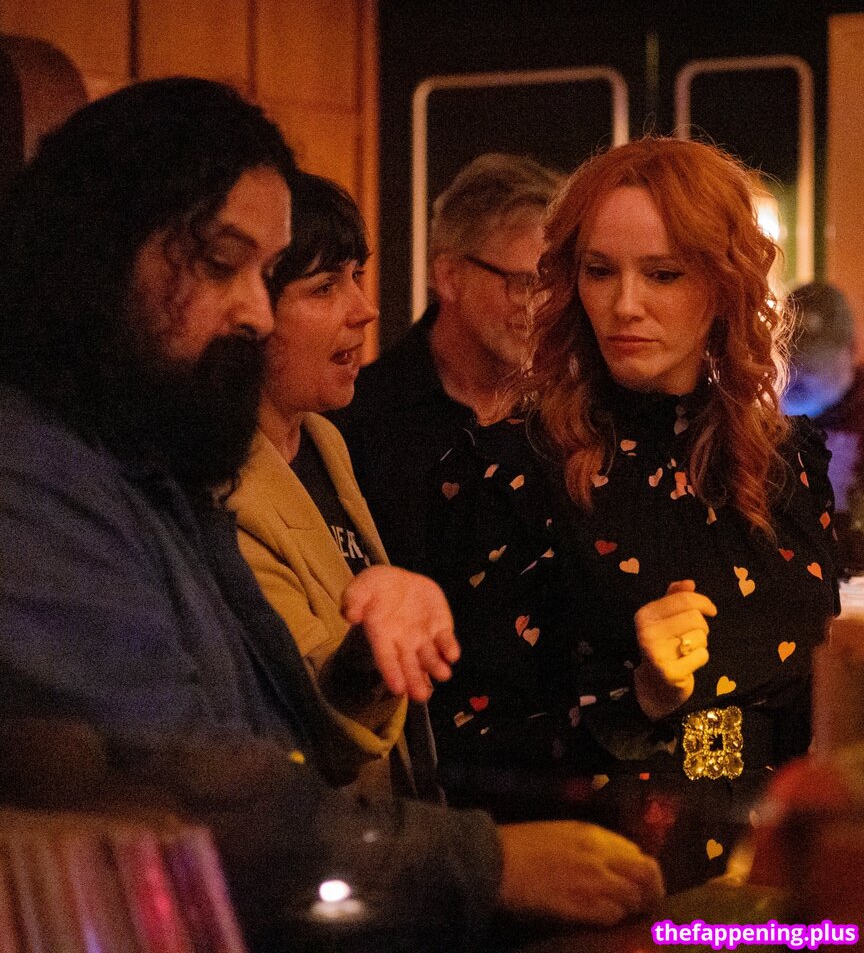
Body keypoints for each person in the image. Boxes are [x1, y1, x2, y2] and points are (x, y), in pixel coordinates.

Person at [0, 78, 663, 951]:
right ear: (100, 254)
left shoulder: (149, 458)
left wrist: (370, 654)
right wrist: (488, 863)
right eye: (223, 264)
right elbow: (190, 797)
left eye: (267, 273)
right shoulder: (34, 476)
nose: (255, 311)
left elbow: (283, 732)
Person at [430, 137, 839, 892]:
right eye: (599, 271)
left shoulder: (785, 458)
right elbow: (464, 745)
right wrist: (637, 698)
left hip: (783, 875)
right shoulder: (513, 467)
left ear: (722, 284)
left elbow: (818, 698)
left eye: (662, 274)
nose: (624, 305)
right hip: (611, 884)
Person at [230, 172, 452, 800]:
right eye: (325, 287)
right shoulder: (224, 487)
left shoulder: (323, 438)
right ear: (248, 309)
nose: (364, 308)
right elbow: (311, 712)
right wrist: (371, 648)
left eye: (357, 276)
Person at [333, 152, 562, 576]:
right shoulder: (355, 421)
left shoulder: (573, 416)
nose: (540, 306)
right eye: (524, 282)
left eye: (554, 283)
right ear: (449, 276)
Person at [783, 280, 864, 574]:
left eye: (814, 362)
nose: (796, 373)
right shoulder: (756, 417)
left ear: (852, 351)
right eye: (789, 357)